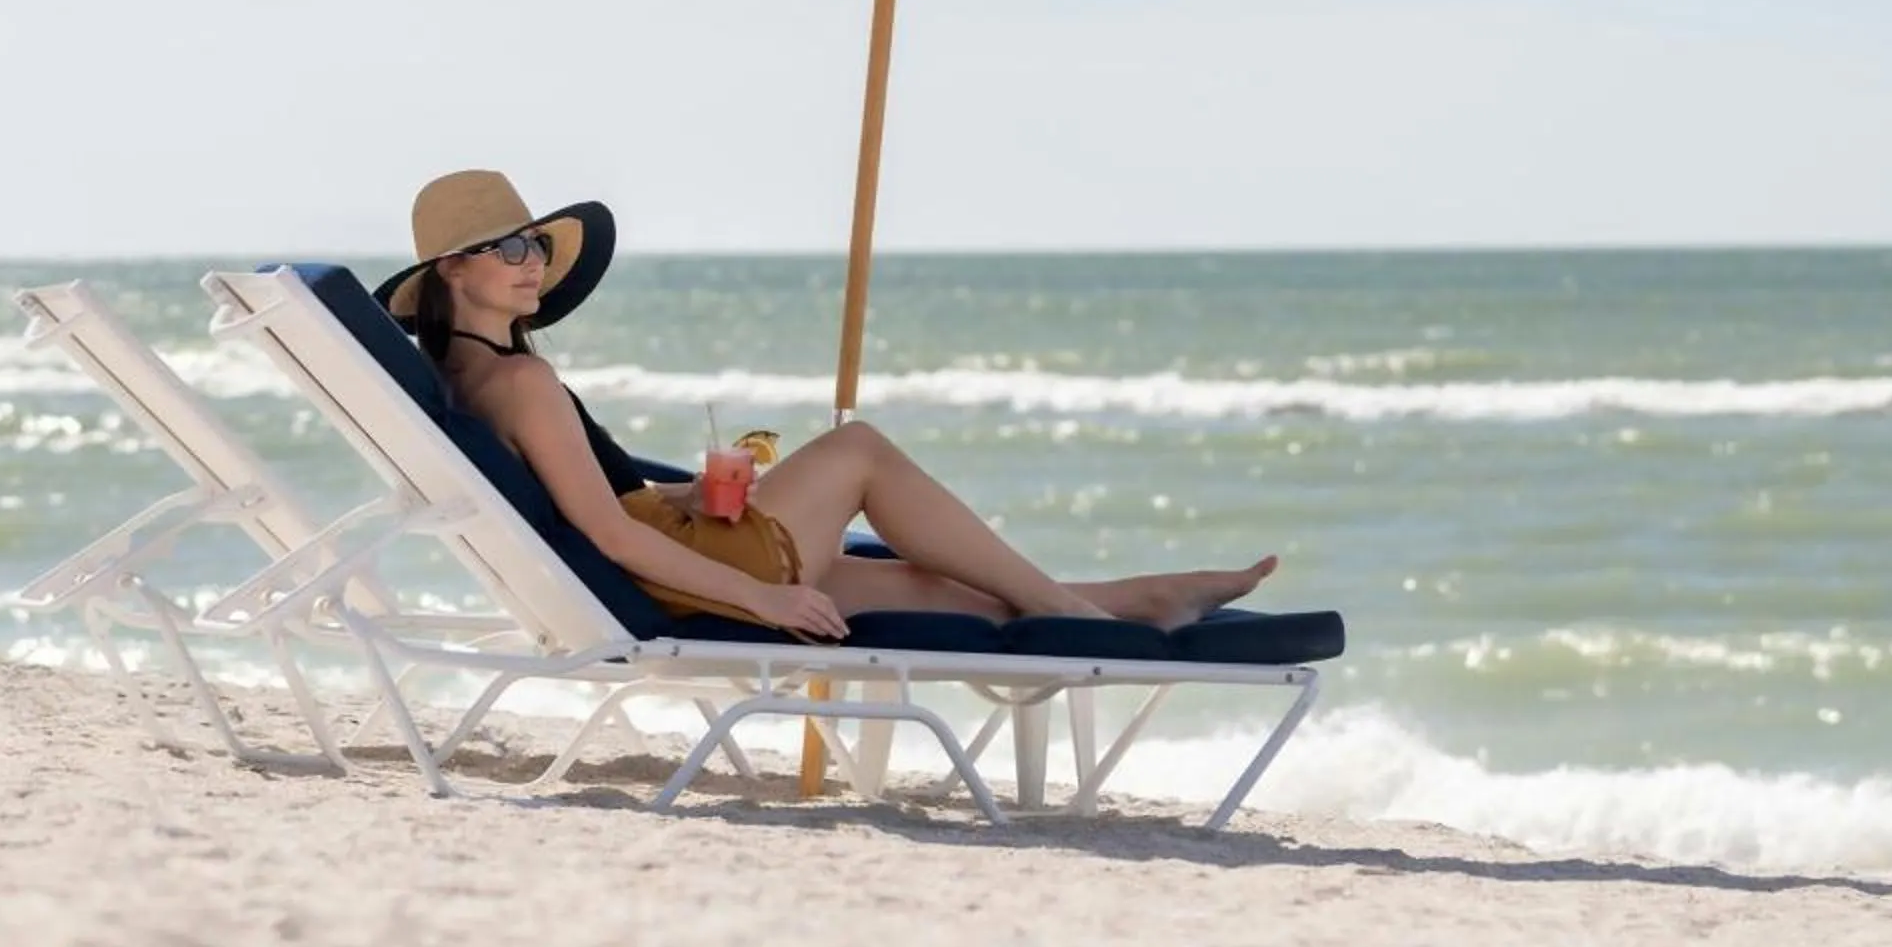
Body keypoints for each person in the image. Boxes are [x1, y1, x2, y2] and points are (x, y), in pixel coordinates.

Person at [379, 171, 1277, 642]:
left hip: (679, 547)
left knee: (947, 595)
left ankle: (1148, 602)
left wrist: (690, 493)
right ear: (450, 270)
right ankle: (1086, 623)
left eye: (533, 241)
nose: (531, 258)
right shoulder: (521, 381)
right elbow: (608, 536)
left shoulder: (477, 377)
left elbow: (596, 506)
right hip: (691, 573)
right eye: (504, 247)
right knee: (861, 450)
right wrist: (762, 603)